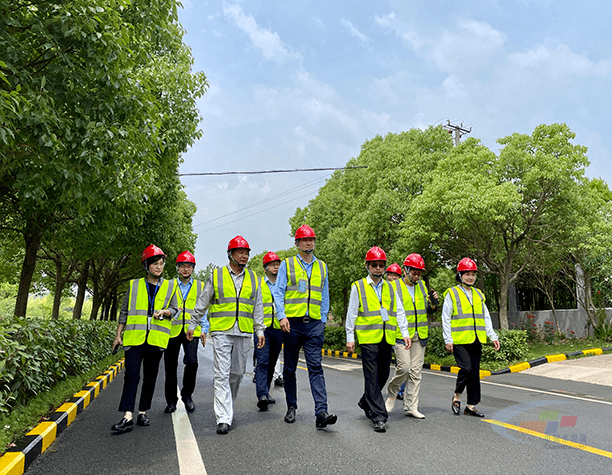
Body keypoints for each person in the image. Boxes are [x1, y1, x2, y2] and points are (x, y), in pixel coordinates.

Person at [186, 236, 265, 435]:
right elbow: (203, 302)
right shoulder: (217, 275)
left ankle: (228, 408)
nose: (245, 256)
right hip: (222, 331)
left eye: (247, 252)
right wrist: (193, 324)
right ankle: (223, 417)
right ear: (230, 254)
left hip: (244, 331)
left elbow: (258, 306)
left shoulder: (254, 278)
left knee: (237, 374)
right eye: (240, 252)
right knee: (221, 374)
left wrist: (260, 330)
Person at [272, 224, 337, 429]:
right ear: (297, 243)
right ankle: (292, 406)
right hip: (292, 324)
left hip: (314, 325)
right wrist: (281, 316)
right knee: (290, 368)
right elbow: (278, 292)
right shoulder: (287, 264)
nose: (309, 242)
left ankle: (321, 412)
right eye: (305, 239)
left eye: (312, 239)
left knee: (315, 367)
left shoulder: (322, 266)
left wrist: (324, 320)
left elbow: (324, 295)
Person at [111, 245, 178, 434]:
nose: (159, 267)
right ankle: (127, 415)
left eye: (161, 263)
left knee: (150, 377)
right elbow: (124, 312)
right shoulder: (134, 285)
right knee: (131, 376)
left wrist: (165, 312)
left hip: (156, 338)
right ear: (146, 265)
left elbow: (175, 310)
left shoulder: (170, 286)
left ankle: (142, 411)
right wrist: (118, 335)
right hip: (135, 338)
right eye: (155, 264)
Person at [346, 247, 411, 433]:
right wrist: (350, 337)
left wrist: (404, 332)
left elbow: (399, 311)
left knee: (383, 374)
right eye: (374, 265)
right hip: (367, 337)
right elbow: (351, 314)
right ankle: (378, 416)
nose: (378, 268)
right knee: (372, 376)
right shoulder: (358, 286)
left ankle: (366, 400)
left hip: (387, 337)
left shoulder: (391, 287)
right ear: (367, 266)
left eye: (381, 265)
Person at [443, 258, 500, 418]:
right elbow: (446, 318)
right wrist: (448, 339)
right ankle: (457, 395)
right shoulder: (452, 293)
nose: (470, 277)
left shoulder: (478, 294)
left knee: (475, 372)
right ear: (460, 275)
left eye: (473, 274)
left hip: (476, 339)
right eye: (467, 274)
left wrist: (493, 336)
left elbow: (486, 317)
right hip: (460, 339)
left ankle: (471, 406)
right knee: (466, 369)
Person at [386, 253, 438, 419]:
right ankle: (392, 393)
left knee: (416, 373)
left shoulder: (422, 287)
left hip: (420, 335)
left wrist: (434, 304)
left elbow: (427, 310)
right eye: (414, 271)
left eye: (419, 272)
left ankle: (411, 407)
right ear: (406, 270)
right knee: (404, 368)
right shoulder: (395, 287)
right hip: (401, 335)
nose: (417, 275)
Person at [163, 251, 205, 414]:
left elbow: (204, 310)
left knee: (192, 362)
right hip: (172, 330)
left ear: (193, 269)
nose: (186, 269)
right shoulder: (169, 285)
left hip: (191, 330)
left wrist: (204, 329)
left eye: (189, 266)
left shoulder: (200, 286)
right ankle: (171, 401)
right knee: (170, 367)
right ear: (177, 268)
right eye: (183, 266)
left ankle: (187, 395)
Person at [254, 251, 285, 411]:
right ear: (265, 268)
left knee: (272, 362)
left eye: (277, 264)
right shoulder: (259, 284)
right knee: (263, 361)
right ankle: (262, 395)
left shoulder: (283, 284)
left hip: (278, 329)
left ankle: (266, 391)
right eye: (272, 264)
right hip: (263, 329)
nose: (276, 267)